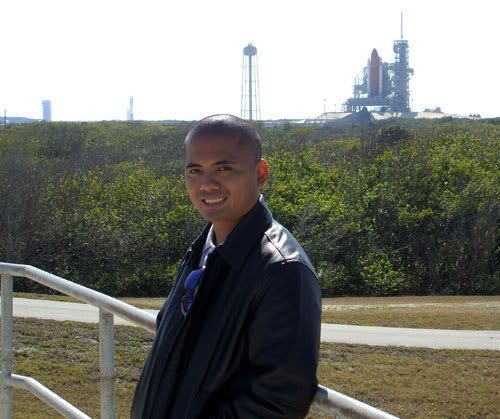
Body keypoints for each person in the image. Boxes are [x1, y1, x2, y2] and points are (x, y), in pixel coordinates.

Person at [131, 114, 321, 419]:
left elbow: (280, 401)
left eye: (224, 168)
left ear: (260, 173)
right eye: (195, 170)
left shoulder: (283, 270)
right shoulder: (202, 251)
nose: (207, 184)